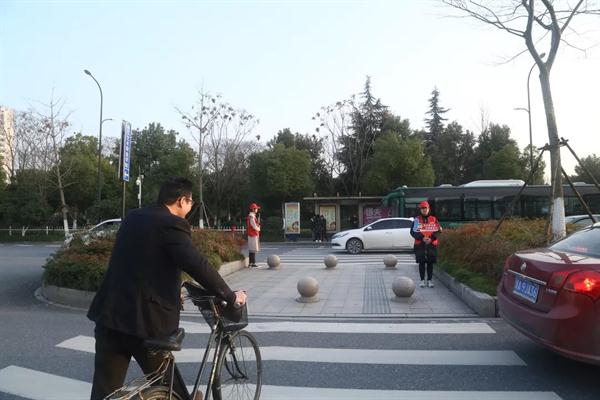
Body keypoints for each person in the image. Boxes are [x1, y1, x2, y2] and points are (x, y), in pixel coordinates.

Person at [87, 177, 246, 400]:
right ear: (181, 200)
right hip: (145, 323)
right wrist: (229, 295)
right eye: (190, 203)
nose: (190, 208)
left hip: (109, 315)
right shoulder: (171, 223)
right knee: (170, 388)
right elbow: (196, 264)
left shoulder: (134, 216)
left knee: (104, 392)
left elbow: (143, 261)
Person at [410, 201, 442, 288]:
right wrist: (422, 238)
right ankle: (422, 280)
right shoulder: (416, 220)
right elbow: (412, 232)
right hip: (420, 244)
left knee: (430, 263)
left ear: (428, 209)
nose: (424, 210)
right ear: (420, 210)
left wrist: (431, 238)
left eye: (425, 208)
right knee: (421, 263)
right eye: (422, 208)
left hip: (431, 245)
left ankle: (429, 280)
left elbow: (438, 231)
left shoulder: (433, 219)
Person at [247, 203, 261, 267]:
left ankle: (251, 263)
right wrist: (258, 228)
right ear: (253, 209)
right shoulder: (252, 217)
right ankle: (252, 263)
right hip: (252, 234)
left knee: (252, 249)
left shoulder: (252, 216)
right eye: (256, 209)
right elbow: (253, 226)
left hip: (252, 234)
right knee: (253, 249)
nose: (257, 210)